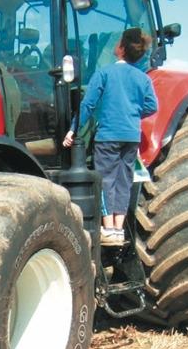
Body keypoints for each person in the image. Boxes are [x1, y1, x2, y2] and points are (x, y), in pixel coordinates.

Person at [63, 27, 158, 246]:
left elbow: (88, 105)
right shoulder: (142, 78)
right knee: (123, 180)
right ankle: (118, 230)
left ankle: (107, 228)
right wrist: (132, 113)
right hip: (131, 136)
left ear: (120, 48)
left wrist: (72, 130)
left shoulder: (104, 73)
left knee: (105, 179)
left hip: (108, 136)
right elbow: (152, 106)